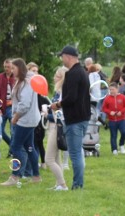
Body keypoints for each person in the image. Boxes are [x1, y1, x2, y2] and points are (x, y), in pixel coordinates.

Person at [50, 46, 90, 190]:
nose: (62, 60)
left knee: (75, 153)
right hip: (83, 117)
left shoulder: (73, 73)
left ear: (68, 56)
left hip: (75, 119)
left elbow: (71, 97)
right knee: (78, 151)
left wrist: (58, 104)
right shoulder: (83, 72)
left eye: (62, 57)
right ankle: (78, 182)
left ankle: (77, 184)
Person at [0, 59, 41, 187]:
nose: (11, 71)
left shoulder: (27, 82)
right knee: (29, 147)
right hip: (28, 119)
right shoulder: (22, 80)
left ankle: (15, 176)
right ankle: (36, 176)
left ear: (20, 68)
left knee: (15, 147)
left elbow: (24, 104)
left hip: (25, 120)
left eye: (13, 68)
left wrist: (15, 117)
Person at [44, 67, 69, 191]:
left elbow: (60, 113)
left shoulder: (63, 92)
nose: (54, 78)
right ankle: (59, 184)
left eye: (57, 76)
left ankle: (63, 184)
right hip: (55, 125)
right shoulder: (58, 91)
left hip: (58, 126)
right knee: (56, 157)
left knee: (48, 159)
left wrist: (47, 113)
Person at [101, 81, 125, 155]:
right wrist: (110, 112)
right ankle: (114, 149)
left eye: (113, 89)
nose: (111, 91)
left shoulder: (122, 97)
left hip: (122, 119)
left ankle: (121, 144)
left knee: (124, 132)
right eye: (110, 89)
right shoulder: (107, 98)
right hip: (112, 120)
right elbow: (104, 108)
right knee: (113, 135)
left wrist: (122, 111)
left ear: (117, 89)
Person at [0, 59, 15, 146]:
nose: (6, 69)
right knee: (0, 130)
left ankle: (12, 151)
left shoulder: (16, 77)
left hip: (13, 107)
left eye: (8, 67)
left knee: (13, 131)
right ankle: (11, 145)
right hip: (2, 107)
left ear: (12, 67)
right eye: (5, 67)